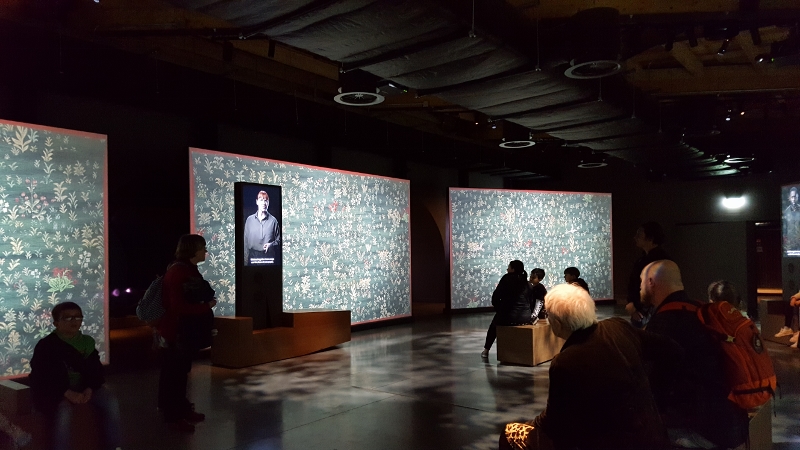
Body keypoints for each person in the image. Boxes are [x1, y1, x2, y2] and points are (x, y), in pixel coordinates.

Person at [499, 283, 681, 450]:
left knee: (510, 434)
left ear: (558, 324)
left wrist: (531, 424)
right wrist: (657, 397)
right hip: (653, 435)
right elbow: (672, 349)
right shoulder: (618, 326)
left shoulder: (565, 361)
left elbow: (554, 423)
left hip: (607, 442)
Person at [640, 260, 749, 450]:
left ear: (651, 282)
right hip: (731, 424)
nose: (639, 287)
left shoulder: (664, 324)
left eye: (641, 281)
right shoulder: (700, 311)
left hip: (700, 431)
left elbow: (653, 386)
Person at [29, 302, 122, 450]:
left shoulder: (87, 342)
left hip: (84, 387)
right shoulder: (46, 345)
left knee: (110, 401)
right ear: (56, 323)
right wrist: (66, 392)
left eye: (78, 317)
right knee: (63, 411)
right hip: (56, 391)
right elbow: (42, 376)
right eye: (67, 318)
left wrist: (90, 388)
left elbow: (95, 370)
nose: (74, 321)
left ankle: (114, 446)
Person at [156, 234, 217, 433]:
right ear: (193, 250)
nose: (205, 251)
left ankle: (180, 410)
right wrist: (206, 306)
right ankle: (173, 417)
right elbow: (178, 306)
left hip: (180, 332)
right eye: (202, 248)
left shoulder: (184, 269)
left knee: (179, 373)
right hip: (176, 332)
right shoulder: (179, 272)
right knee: (174, 376)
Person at [482, 260, 533, 358]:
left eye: (509, 267)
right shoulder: (527, 284)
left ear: (513, 269)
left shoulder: (506, 279)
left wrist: (499, 309)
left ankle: (486, 350)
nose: (507, 269)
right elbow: (531, 302)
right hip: (525, 318)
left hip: (508, 316)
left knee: (493, 326)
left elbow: (496, 297)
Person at [626, 221, 670, 328]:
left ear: (650, 238)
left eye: (639, 234)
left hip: (648, 315)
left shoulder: (659, 261)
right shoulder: (643, 259)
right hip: (642, 312)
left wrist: (641, 311)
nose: (635, 237)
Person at [243, 190, 281, 265]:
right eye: (261, 200)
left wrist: (271, 245)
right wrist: (245, 261)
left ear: (268, 203)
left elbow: (279, 241)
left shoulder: (273, 221)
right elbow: (245, 242)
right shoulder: (249, 220)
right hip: (252, 258)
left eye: (265, 200)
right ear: (257, 202)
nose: (263, 203)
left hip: (268, 258)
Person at [784, 187, 800, 253]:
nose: (793, 199)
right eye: (792, 197)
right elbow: (785, 229)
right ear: (790, 198)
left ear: (797, 197)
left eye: (795, 197)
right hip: (790, 244)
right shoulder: (786, 212)